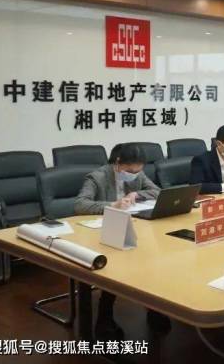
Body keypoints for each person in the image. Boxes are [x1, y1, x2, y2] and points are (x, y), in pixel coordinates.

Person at [74, 143, 166, 340]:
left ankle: (154, 307)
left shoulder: (137, 174)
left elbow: (157, 191)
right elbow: (80, 204)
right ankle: (105, 315)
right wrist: (112, 205)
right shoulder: (97, 177)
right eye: (130, 171)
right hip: (102, 233)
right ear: (118, 163)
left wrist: (137, 194)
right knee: (117, 265)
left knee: (151, 257)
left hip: (131, 227)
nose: (134, 175)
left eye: (138, 171)